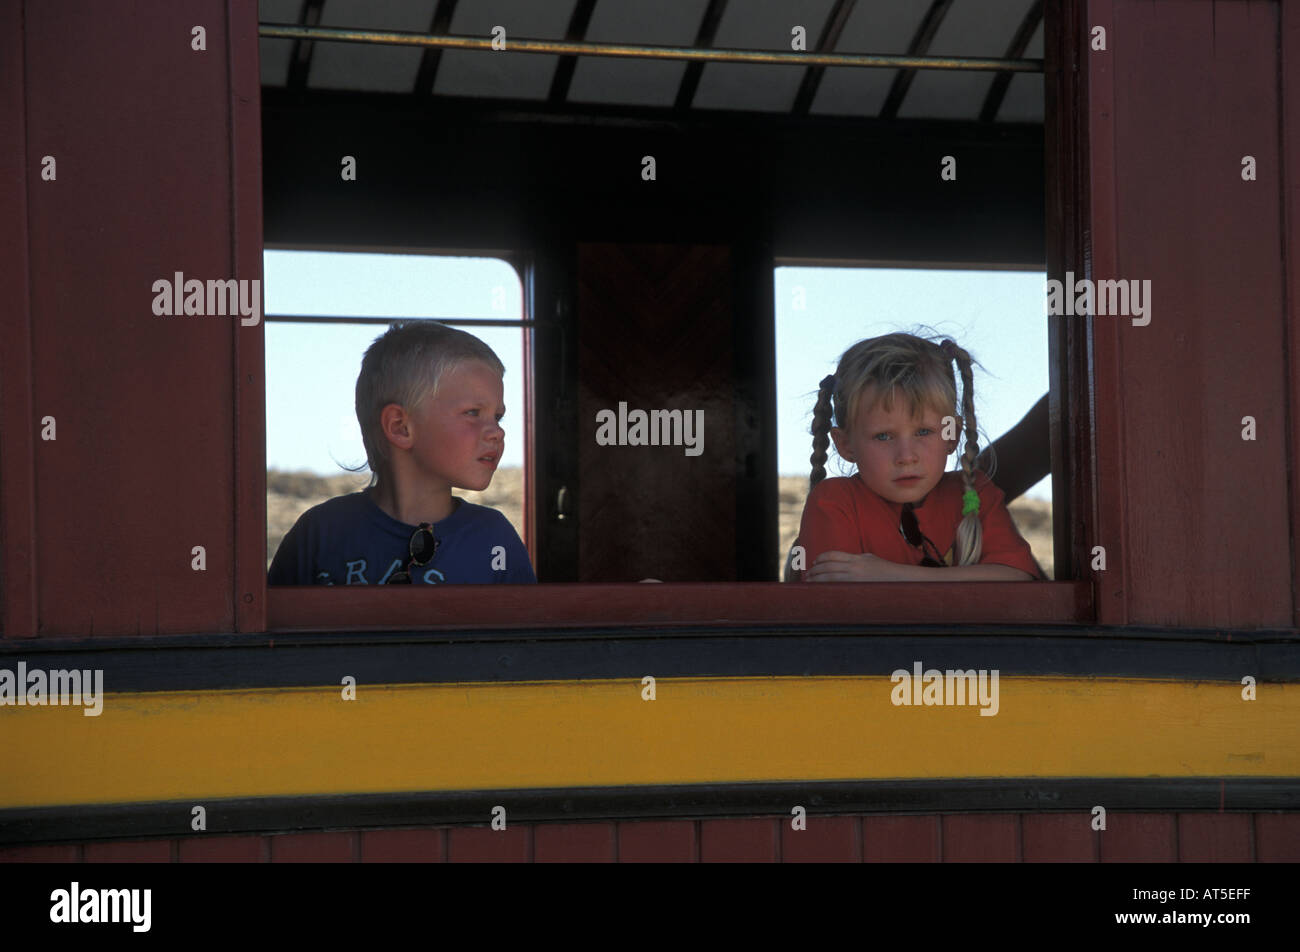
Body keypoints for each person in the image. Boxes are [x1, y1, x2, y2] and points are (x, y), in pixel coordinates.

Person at [268, 321, 536, 585]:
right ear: (401, 427)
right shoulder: (319, 535)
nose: (496, 433)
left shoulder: (494, 538)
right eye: (473, 413)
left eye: (497, 417)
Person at [792, 333, 1042, 582]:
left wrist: (889, 575)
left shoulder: (975, 494)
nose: (906, 456)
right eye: (883, 436)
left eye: (923, 432)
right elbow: (835, 605)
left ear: (951, 434)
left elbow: (1016, 579)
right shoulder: (835, 502)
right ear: (846, 444)